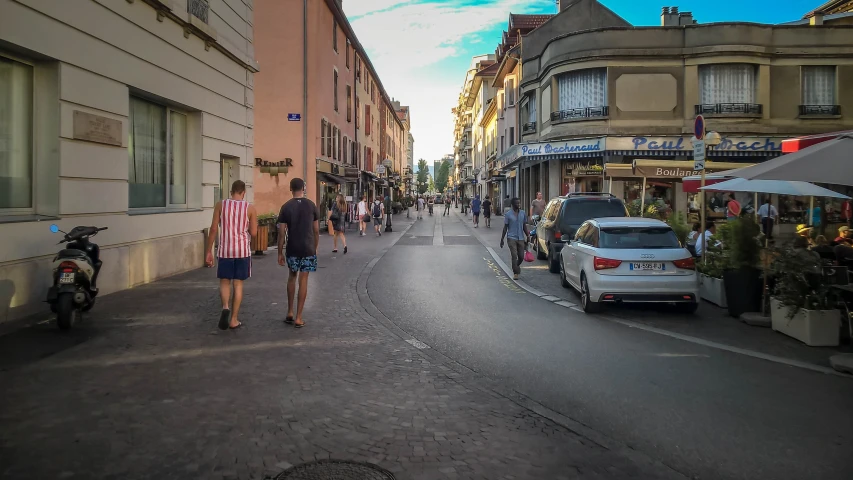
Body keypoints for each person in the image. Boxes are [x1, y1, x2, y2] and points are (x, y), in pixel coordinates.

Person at [205, 180, 257, 330]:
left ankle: (225, 306)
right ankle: (233, 319)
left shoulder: (221, 205)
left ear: (231, 192)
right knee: (238, 284)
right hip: (242, 251)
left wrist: (209, 251)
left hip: (225, 250)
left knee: (224, 281)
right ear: (243, 193)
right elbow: (253, 233)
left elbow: (214, 229)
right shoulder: (250, 208)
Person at [277, 177, 320, 329]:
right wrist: (315, 247)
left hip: (292, 248)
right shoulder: (311, 206)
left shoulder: (286, 207)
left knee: (292, 276)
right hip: (308, 248)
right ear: (304, 188)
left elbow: (281, 232)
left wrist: (280, 252)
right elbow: (316, 230)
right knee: (303, 279)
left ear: (291, 188)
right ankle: (299, 317)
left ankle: (289, 311)